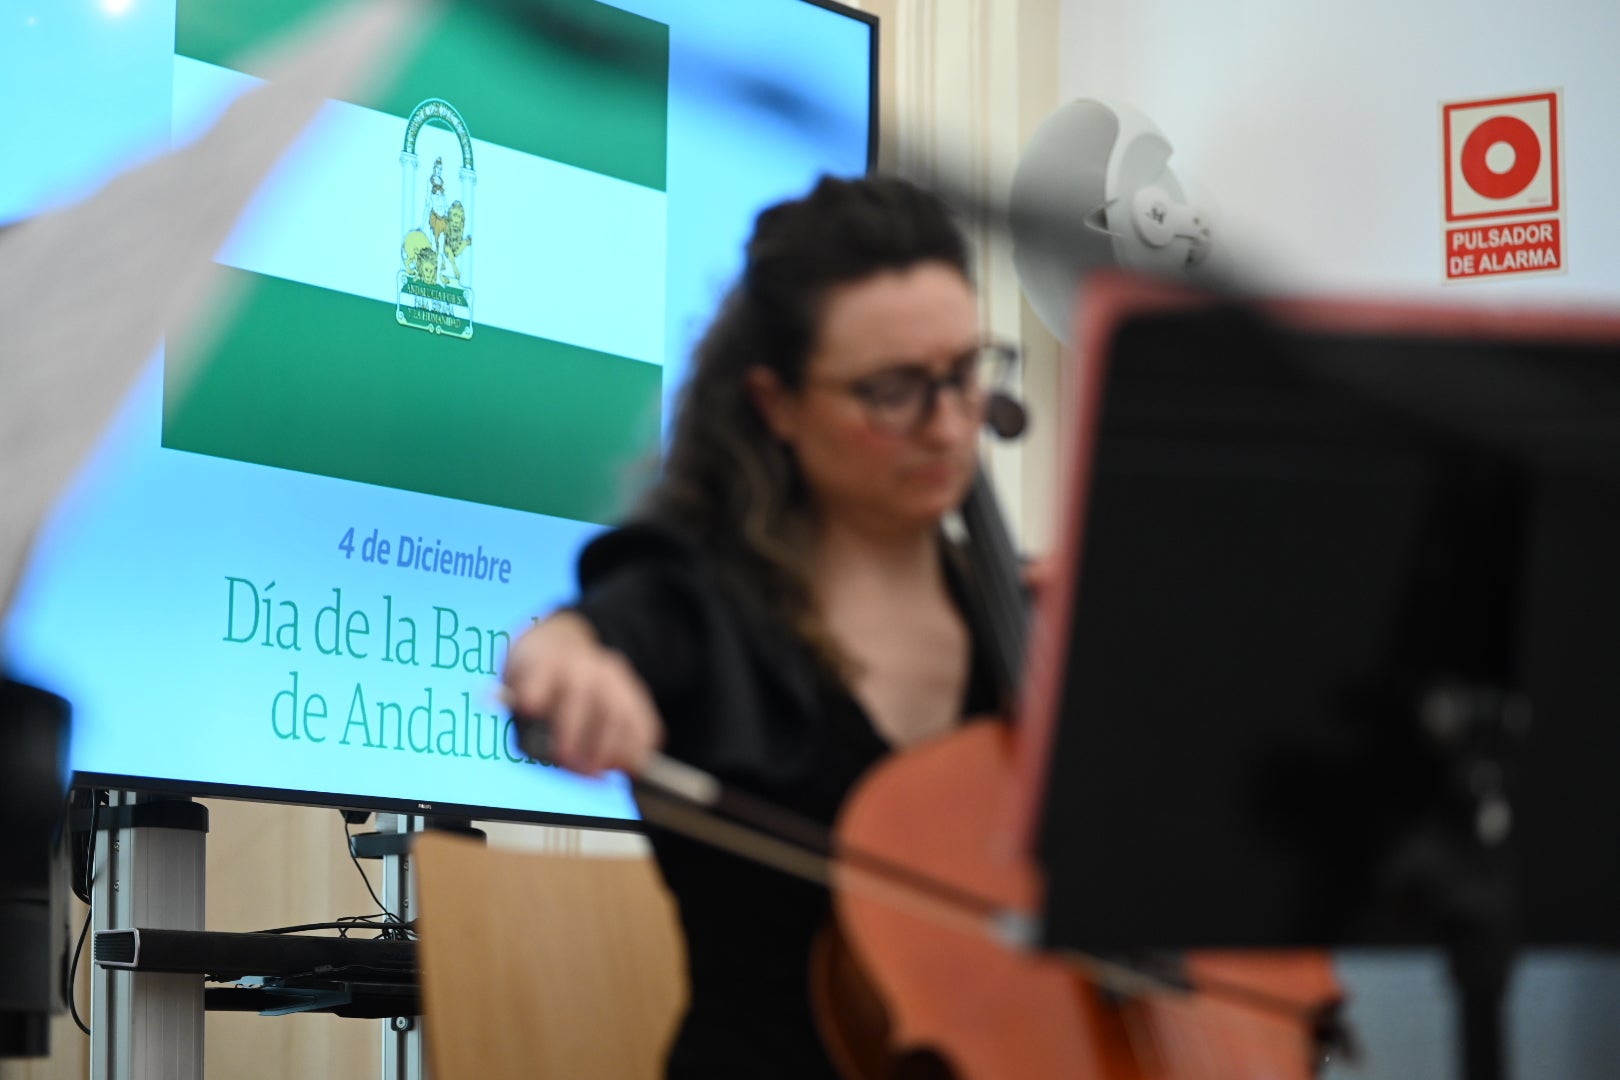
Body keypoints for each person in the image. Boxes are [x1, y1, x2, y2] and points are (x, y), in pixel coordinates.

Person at [502, 174, 1012, 1078]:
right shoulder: (702, 599)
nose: (947, 427)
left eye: (966, 375)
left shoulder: (1015, 625)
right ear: (777, 404)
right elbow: (589, 636)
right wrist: (566, 662)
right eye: (893, 391)